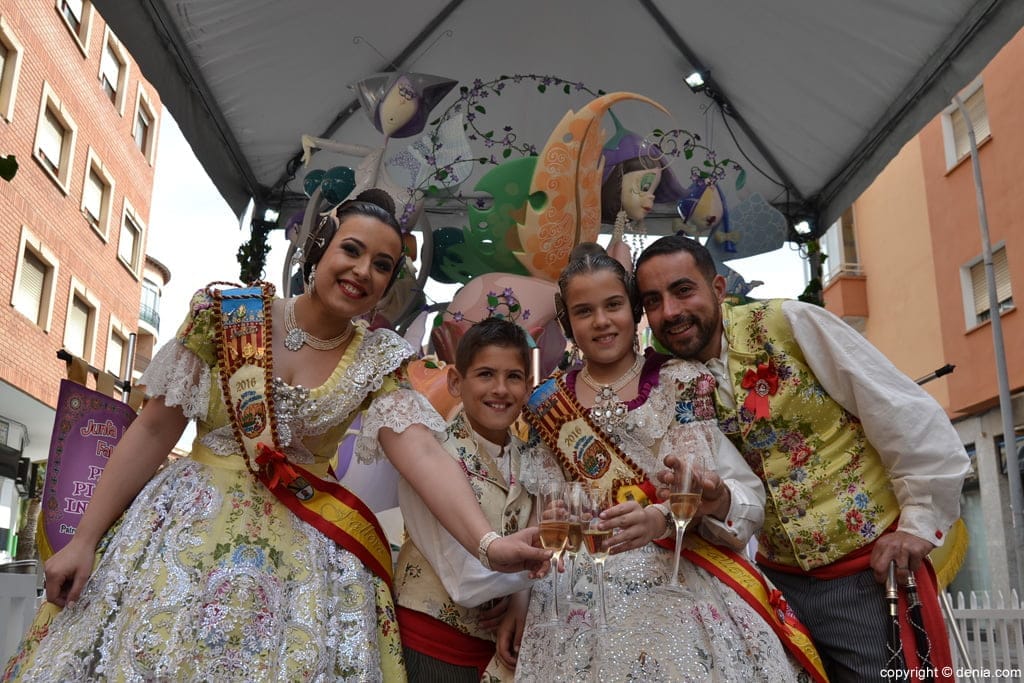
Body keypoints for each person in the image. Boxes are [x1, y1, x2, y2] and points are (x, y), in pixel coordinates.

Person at [2, 190, 549, 682]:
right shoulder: (225, 317)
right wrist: (83, 540)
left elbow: (423, 451)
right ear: (320, 249)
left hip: (303, 562)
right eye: (351, 250)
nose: (363, 271)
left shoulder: (377, 359)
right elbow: (151, 430)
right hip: (182, 538)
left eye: (382, 265)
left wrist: (488, 543)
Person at [634, 233, 971, 682]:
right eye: (653, 301)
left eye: (682, 291)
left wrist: (918, 525)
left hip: (865, 572)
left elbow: (898, 410)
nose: (670, 312)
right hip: (780, 584)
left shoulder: (788, 322)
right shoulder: (675, 384)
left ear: (717, 289)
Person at [507, 244, 821, 681]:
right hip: (580, 593)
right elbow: (538, 513)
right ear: (567, 324)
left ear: (635, 309)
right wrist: (552, 520)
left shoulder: (681, 382)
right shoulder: (546, 405)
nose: (601, 321)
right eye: (583, 311)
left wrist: (659, 518)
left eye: (613, 305)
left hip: (678, 582)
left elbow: (709, 484)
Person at [395, 318, 536, 682]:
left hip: (500, 652)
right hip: (434, 644)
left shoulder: (536, 459)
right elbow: (466, 580)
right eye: (486, 374)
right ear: (456, 381)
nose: (500, 389)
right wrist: (525, 586)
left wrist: (521, 597)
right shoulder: (428, 455)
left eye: (514, 377)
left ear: (528, 385)